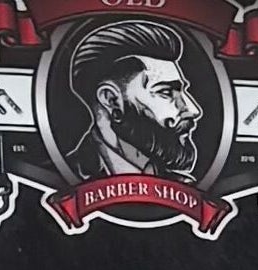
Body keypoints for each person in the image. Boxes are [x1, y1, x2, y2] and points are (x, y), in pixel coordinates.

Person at [64, 20, 207, 181]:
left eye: (181, 92)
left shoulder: (182, 184)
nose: (194, 110)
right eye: (166, 92)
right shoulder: (64, 173)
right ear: (111, 100)